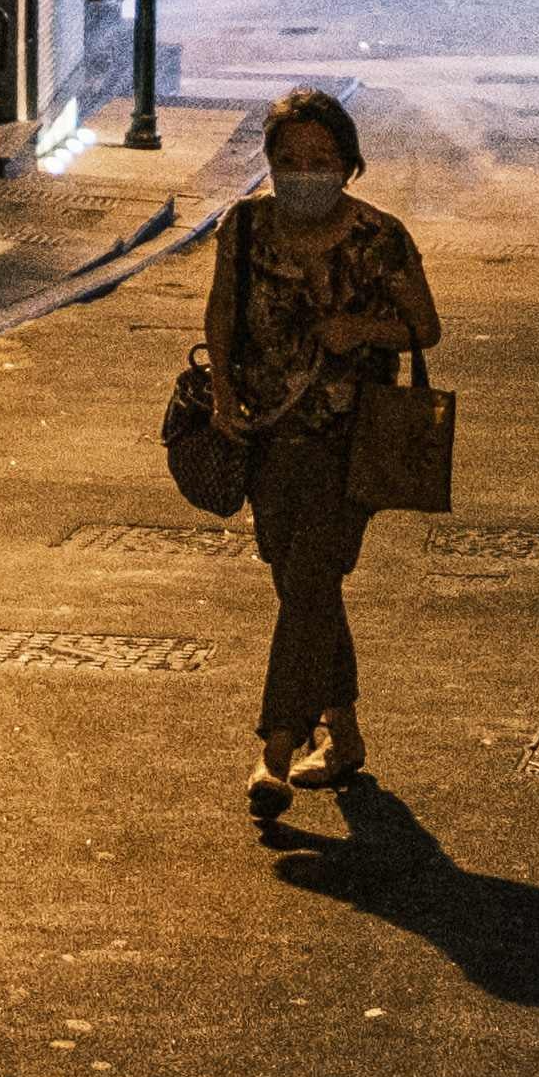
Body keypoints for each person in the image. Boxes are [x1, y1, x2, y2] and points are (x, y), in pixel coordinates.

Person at [203, 85, 442, 818]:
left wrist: (363, 330)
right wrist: (220, 392)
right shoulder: (243, 229)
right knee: (299, 581)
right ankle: (344, 733)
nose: (304, 172)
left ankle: (276, 750)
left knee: (308, 579)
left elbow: (423, 328)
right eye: (289, 159)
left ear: (348, 163)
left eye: (321, 159)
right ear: (270, 163)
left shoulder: (379, 237)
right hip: (269, 436)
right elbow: (220, 313)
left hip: (351, 444)